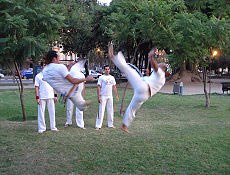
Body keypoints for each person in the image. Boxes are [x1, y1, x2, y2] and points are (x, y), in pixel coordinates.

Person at [108, 43, 170, 132]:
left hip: (143, 87)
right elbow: (152, 78)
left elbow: (155, 67)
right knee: (132, 109)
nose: (159, 64)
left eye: (160, 64)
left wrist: (151, 57)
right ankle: (125, 125)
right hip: (144, 95)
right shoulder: (161, 79)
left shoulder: (160, 73)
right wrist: (148, 74)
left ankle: (113, 57)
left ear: (163, 68)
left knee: (129, 70)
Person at [35, 64, 58, 133]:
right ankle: (42, 128)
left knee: (52, 112)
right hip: (42, 97)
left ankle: (53, 127)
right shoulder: (38, 76)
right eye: (44, 65)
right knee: (41, 113)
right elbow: (36, 87)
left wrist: (55, 95)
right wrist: (37, 97)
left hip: (51, 96)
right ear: (42, 66)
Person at [95, 65, 119, 130]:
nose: (107, 70)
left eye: (108, 69)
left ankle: (110, 124)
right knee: (101, 111)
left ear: (109, 70)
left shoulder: (112, 78)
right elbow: (98, 87)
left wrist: (116, 95)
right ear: (104, 70)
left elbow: (114, 86)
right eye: (106, 69)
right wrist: (99, 96)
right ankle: (98, 125)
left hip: (110, 96)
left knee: (110, 110)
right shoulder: (101, 77)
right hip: (103, 96)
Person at [65, 60, 86, 129]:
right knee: (69, 108)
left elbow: (83, 85)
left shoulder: (81, 74)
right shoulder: (69, 74)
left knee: (80, 109)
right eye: (71, 64)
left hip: (78, 94)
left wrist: (83, 95)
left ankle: (80, 124)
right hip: (71, 93)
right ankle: (68, 122)